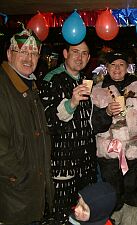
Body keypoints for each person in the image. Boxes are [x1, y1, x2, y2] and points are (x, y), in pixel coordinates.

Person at [90, 51, 137, 225]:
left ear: (127, 67)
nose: (117, 69)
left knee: (132, 188)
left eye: (121, 64)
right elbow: (94, 125)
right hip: (108, 153)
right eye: (113, 65)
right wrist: (106, 113)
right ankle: (113, 219)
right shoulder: (97, 91)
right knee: (112, 191)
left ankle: (132, 221)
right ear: (107, 68)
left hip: (135, 150)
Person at [39, 40, 97, 223]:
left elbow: (88, 120)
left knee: (84, 212)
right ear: (65, 53)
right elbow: (48, 122)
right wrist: (71, 103)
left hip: (86, 162)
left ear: (88, 58)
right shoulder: (51, 79)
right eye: (75, 52)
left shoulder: (85, 81)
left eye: (84, 53)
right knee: (62, 214)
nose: (79, 57)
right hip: (63, 161)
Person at [0, 27, 54, 224]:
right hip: (13, 193)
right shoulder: (3, 86)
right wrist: (20, 176)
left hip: (30, 189)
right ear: (9, 53)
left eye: (33, 53)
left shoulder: (29, 84)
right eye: (22, 51)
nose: (28, 58)